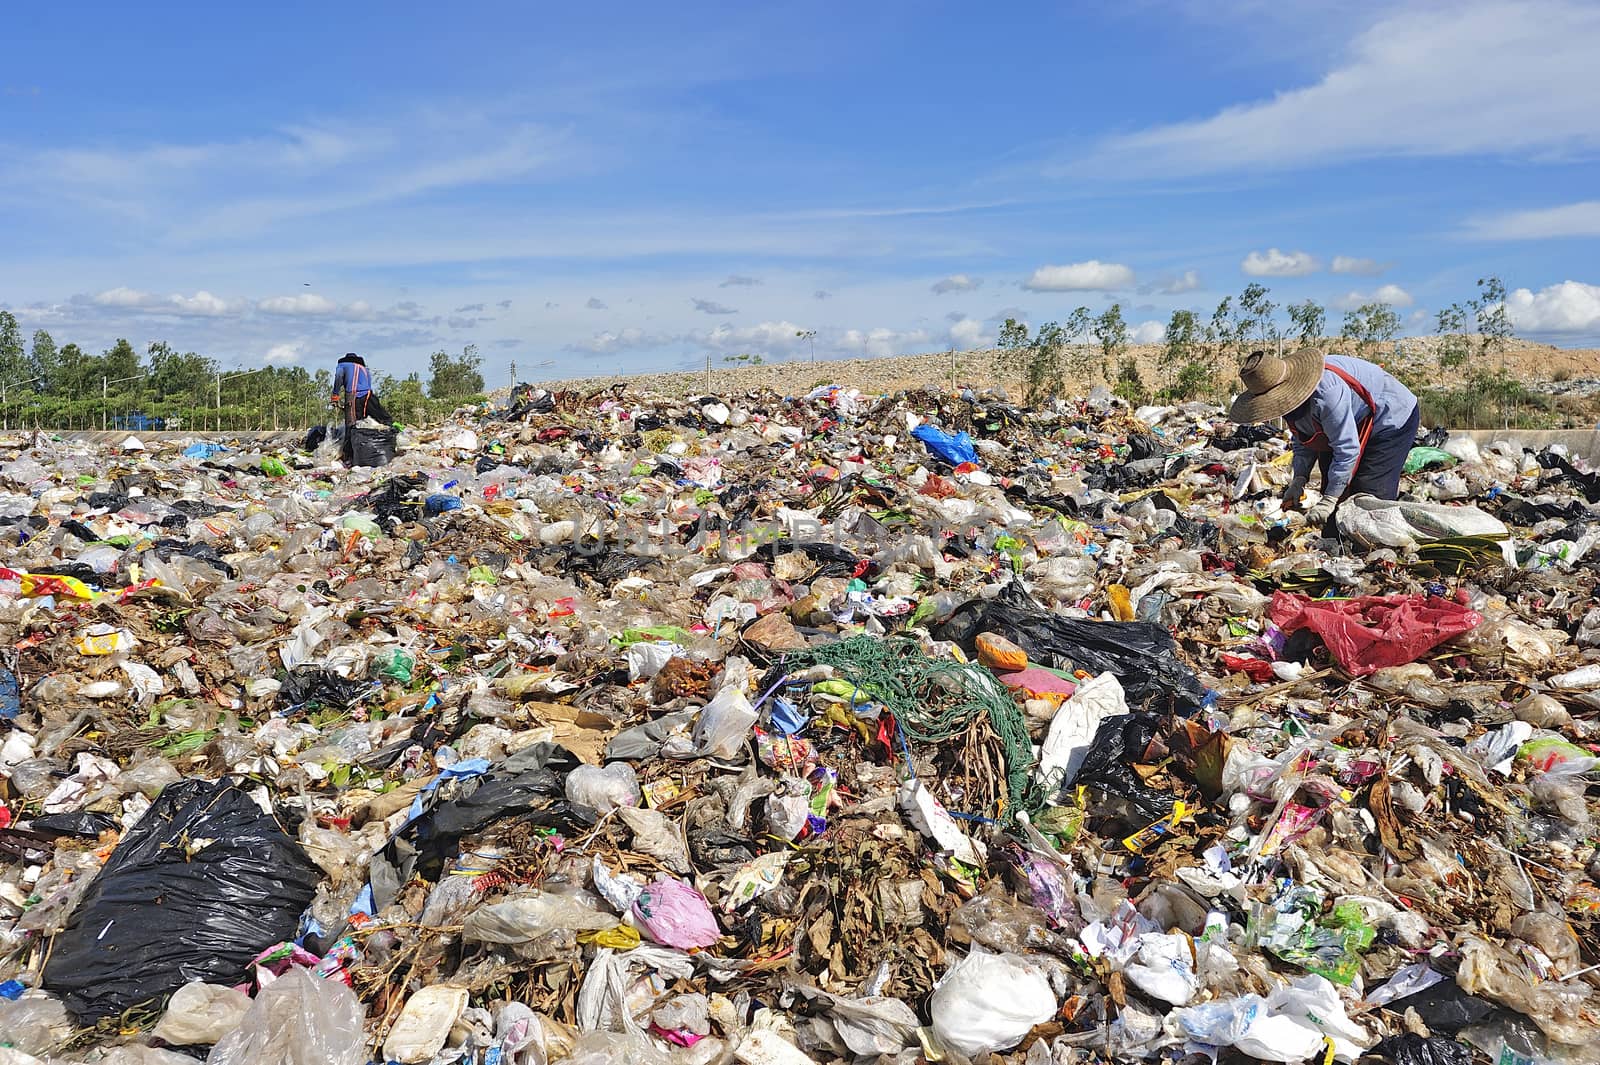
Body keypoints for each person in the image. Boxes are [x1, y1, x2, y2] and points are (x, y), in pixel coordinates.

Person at [1230, 348, 1420, 531]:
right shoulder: (1294, 405)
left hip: (1390, 418)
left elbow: (1347, 450)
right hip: (1350, 423)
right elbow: (1303, 439)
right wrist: (1299, 480)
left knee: (1368, 494)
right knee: (1332, 484)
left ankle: (1380, 548)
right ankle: (1335, 540)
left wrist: (1329, 500)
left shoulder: (1327, 393)